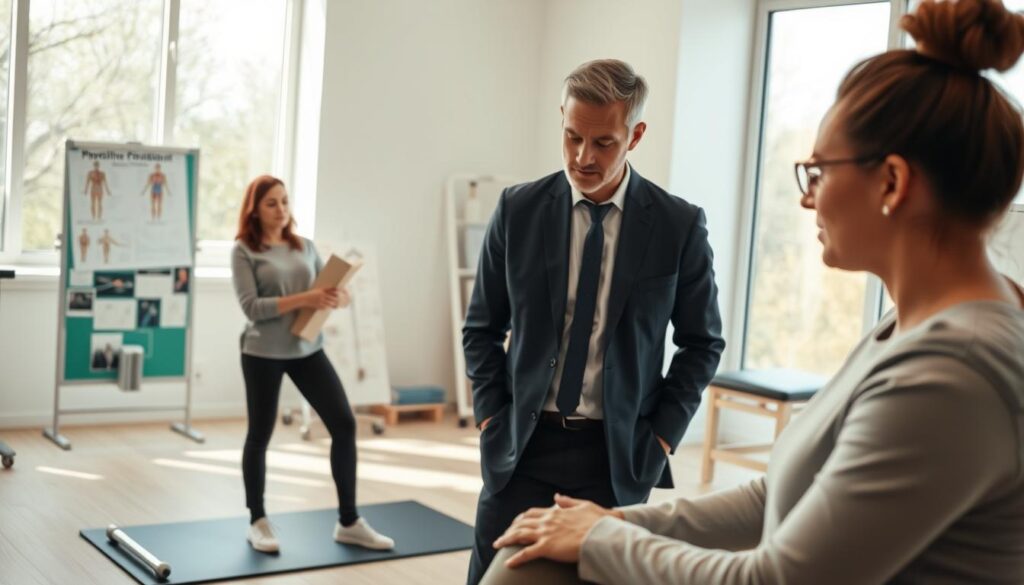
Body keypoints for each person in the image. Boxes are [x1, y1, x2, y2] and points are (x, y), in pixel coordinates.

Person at [482, 1, 1024, 583]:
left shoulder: (949, 375)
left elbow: (779, 578)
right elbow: (777, 497)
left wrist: (605, 538)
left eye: (818, 172)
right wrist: (617, 523)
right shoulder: (908, 328)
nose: (807, 197)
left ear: (891, 182)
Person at [463, 59, 725, 584]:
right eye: (572, 136)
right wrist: (492, 417)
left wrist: (662, 440)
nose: (584, 157)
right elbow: (481, 328)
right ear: (561, 118)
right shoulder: (518, 209)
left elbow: (702, 343)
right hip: (521, 447)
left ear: (636, 135)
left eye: (603, 142)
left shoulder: (678, 225)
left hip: (617, 457)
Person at [231, 174, 394, 554]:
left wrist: (338, 297)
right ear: (254, 209)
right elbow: (252, 308)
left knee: (344, 423)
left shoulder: (304, 246)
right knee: (260, 434)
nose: (281, 210)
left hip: (307, 348)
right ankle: (257, 519)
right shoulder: (243, 250)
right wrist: (307, 297)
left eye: (285, 201)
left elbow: (332, 292)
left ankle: (349, 522)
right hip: (262, 353)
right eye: (271, 203)